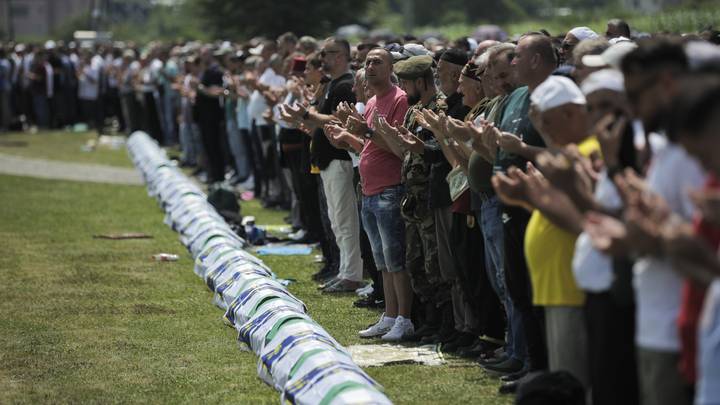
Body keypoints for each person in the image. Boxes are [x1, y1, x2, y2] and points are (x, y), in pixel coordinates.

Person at [281, 38, 364, 292]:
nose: (322, 58)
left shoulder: (345, 84)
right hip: (328, 160)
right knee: (336, 220)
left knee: (345, 219)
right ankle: (344, 270)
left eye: (326, 54)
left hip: (339, 160)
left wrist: (305, 115)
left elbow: (336, 118)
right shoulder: (333, 84)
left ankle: (352, 274)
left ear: (339, 56)